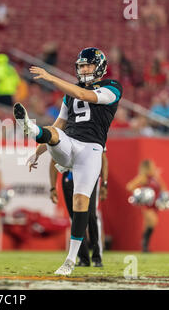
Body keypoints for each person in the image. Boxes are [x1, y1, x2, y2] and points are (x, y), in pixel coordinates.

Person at [13, 47, 122, 275]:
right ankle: (31, 128)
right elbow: (59, 125)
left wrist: (51, 77)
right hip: (70, 141)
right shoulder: (68, 95)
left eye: (88, 65)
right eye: (81, 66)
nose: (83, 69)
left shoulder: (112, 88)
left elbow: (84, 95)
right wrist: (39, 152)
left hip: (91, 150)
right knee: (53, 135)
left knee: (80, 204)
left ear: (99, 67)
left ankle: (71, 260)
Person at [50, 149, 108, 267]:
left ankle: (97, 256)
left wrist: (104, 183)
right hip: (69, 175)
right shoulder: (65, 132)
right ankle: (83, 257)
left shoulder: (94, 131)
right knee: (74, 216)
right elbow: (53, 160)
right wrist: (52, 187)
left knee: (91, 215)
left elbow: (103, 158)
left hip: (89, 174)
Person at [126, 159, 168, 252]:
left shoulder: (154, 178)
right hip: (147, 205)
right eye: (152, 166)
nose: (154, 167)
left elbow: (163, 188)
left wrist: (158, 177)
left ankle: (145, 246)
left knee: (148, 224)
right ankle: (144, 244)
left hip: (155, 204)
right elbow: (129, 186)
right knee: (153, 221)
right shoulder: (143, 177)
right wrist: (140, 195)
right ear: (147, 167)